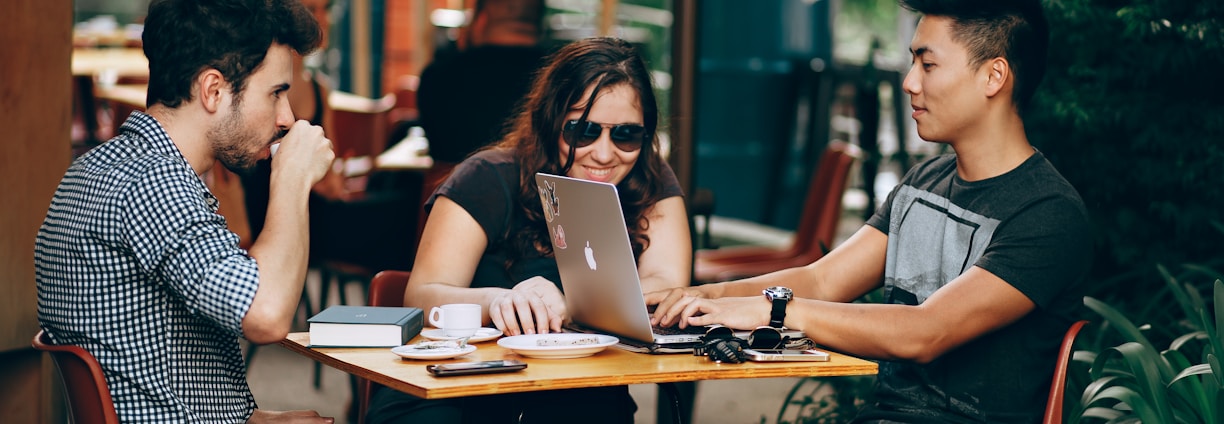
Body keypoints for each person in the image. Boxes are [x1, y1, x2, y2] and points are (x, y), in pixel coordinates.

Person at [647, 1, 1092, 422]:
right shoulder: (923, 183)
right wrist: (707, 297)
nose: (909, 82)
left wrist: (773, 311)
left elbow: (925, 331)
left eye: (928, 64)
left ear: (994, 76)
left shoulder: (1047, 213)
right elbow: (823, 280)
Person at [35, 0, 336, 422]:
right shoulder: (153, 182)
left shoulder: (104, 167)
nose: (287, 117)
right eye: (276, 93)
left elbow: (151, 378)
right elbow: (266, 315)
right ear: (213, 90)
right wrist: (292, 178)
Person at [364, 37, 691, 424]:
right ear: (551, 120)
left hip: (579, 396)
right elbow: (420, 297)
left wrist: (573, 304)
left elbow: (668, 287)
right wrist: (499, 302)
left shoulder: (649, 180)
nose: (604, 154)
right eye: (582, 131)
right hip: (455, 392)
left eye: (626, 135)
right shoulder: (487, 176)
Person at [415, 0, 550, 164]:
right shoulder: (560, 76)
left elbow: (437, 152)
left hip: (453, 187)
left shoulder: (437, 76)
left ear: (481, 19)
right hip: (535, 188)